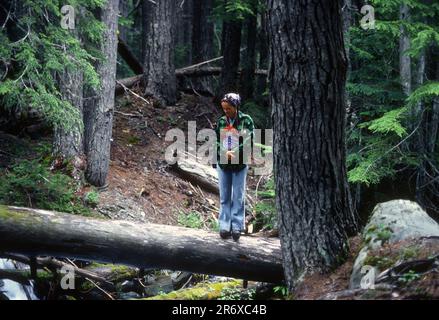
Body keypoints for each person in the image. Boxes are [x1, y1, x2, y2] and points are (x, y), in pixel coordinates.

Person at [214, 93, 255, 241]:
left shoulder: (246, 121)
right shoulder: (221, 122)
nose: (226, 111)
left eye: (229, 108)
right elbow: (216, 141)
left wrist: (235, 152)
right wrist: (224, 152)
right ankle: (225, 226)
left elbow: (249, 140)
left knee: (238, 195)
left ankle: (237, 226)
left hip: (239, 164)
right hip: (224, 163)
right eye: (224, 109)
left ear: (236, 106)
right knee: (225, 196)